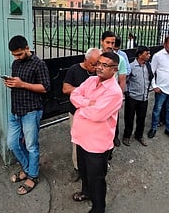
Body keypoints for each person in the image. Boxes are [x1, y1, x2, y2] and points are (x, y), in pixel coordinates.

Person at [70, 52, 123, 213]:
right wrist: (88, 103)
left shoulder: (114, 92)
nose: (99, 67)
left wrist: (81, 108)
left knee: (97, 180)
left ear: (114, 70)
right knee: (84, 173)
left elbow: (97, 114)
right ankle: (86, 193)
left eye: (105, 65)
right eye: (99, 63)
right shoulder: (91, 80)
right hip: (81, 138)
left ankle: (98, 208)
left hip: (97, 145)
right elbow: (74, 95)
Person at [4, 35, 50, 195]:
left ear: (27, 48)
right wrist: (11, 83)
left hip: (31, 110)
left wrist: (22, 84)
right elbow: (18, 84)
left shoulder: (39, 64)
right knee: (12, 143)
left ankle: (33, 176)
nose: (17, 57)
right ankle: (28, 168)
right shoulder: (16, 64)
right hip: (16, 110)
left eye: (19, 54)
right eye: (14, 55)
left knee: (31, 146)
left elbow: (45, 87)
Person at [62, 48, 101, 182]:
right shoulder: (74, 70)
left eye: (98, 64)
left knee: (92, 142)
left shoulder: (99, 73)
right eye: (93, 64)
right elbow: (66, 89)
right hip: (76, 113)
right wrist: (84, 91)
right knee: (77, 141)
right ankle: (77, 168)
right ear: (85, 60)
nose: (96, 67)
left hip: (93, 114)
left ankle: (90, 167)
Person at [148, 37, 169, 142]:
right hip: (161, 89)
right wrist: (154, 86)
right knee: (157, 110)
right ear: (165, 44)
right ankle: (153, 128)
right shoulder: (158, 56)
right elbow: (151, 72)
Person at [100, 31, 127, 147]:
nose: (110, 46)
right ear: (101, 42)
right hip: (97, 95)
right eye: (107, 42)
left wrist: (119, 99)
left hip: (112, 96)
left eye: (113, 43)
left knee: (112, 119)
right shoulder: (96, 56)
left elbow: (122, 80)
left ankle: (114, 137)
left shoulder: (120, 59)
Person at [123, 46, 152, 146]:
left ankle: (139, 135)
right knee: (129, 118)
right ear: (140, 55)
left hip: (144, 97)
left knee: (141, 118)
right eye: (147, 53)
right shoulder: (131, 67)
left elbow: (150, 78)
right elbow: (125, 81)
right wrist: (128, 93)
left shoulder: (148, 65)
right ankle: (127, 136)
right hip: (132, 98)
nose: (149, 55)